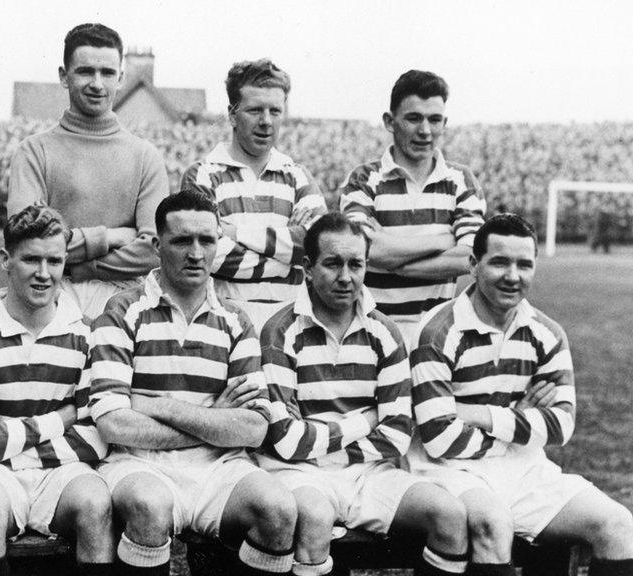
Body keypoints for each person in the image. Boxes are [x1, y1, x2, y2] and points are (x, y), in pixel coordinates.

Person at [410, 214, 633, 576]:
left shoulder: (547, 333)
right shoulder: (438, 331)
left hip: (524, 469)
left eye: (524, 264)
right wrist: (519, 420)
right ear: (473, 265)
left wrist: (476, 414)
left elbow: (561, 426)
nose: (513, 276)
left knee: (619, 525)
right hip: (448, 471)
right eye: (499, 262)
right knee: (493, 525)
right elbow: (438, 437)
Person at [89, 190, 298, 576]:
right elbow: (114, 423)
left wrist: (161, 406)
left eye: (207, 240)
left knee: (278, 511)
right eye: (182, 240)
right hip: (139, 462)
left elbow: (253, 429)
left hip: (220, 466)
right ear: (157, 245)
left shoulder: (236, 320)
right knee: (149, 507)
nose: (197, 253)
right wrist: (216, 420)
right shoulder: (121, 312)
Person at [257, 213, 471, 576]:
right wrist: (366, 420)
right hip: (298, 472)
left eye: (355, 264)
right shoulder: (280, 332)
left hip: (370, 472)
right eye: (332, 264)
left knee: (449, 515)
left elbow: (398, 434)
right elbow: (288, 442)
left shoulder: (385, 332)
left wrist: (331, 444)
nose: (345, 277)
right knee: (314, 518)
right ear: (308, 268)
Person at [0, 205, 113, 576]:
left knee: (95, 502)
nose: (44, 274)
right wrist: (62, 418)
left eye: (54, 261)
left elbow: (93, 439)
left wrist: (10, 443)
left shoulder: (87, 333)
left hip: (62, 471)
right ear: (6, 259)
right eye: (31, 260)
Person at [7, 23, 168, 317]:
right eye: (85, 71)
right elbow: (29, 244)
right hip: (49, 297)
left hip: (126, 301)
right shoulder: (34, 151)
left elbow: (154, 250)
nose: (97, 84)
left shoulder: (145, 156)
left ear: (121, 78)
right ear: (63, 76)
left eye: (107, 73)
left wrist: (84, 266)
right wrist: (111, 236)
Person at [338, 70, 485, 341]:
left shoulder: (461, 180)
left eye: (434, 119)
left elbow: (469, 258)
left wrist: (391, 257)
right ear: (390, 121)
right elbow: (363, 251)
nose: (425, 131)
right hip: (372, 334)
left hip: (437, 336)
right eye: (414, 118)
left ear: (445, 122)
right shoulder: (362, 179)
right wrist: (443, 240)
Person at [180, 59, 326, 328]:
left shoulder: (297, 175)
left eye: (275, 111)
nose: (266, 122)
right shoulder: (202, 174)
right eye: (255, 110)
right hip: (222, 323)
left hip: (292, 324)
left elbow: (317, 246)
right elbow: (212, 256)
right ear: (233, 114)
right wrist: (289, 258)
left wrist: (234, 233)